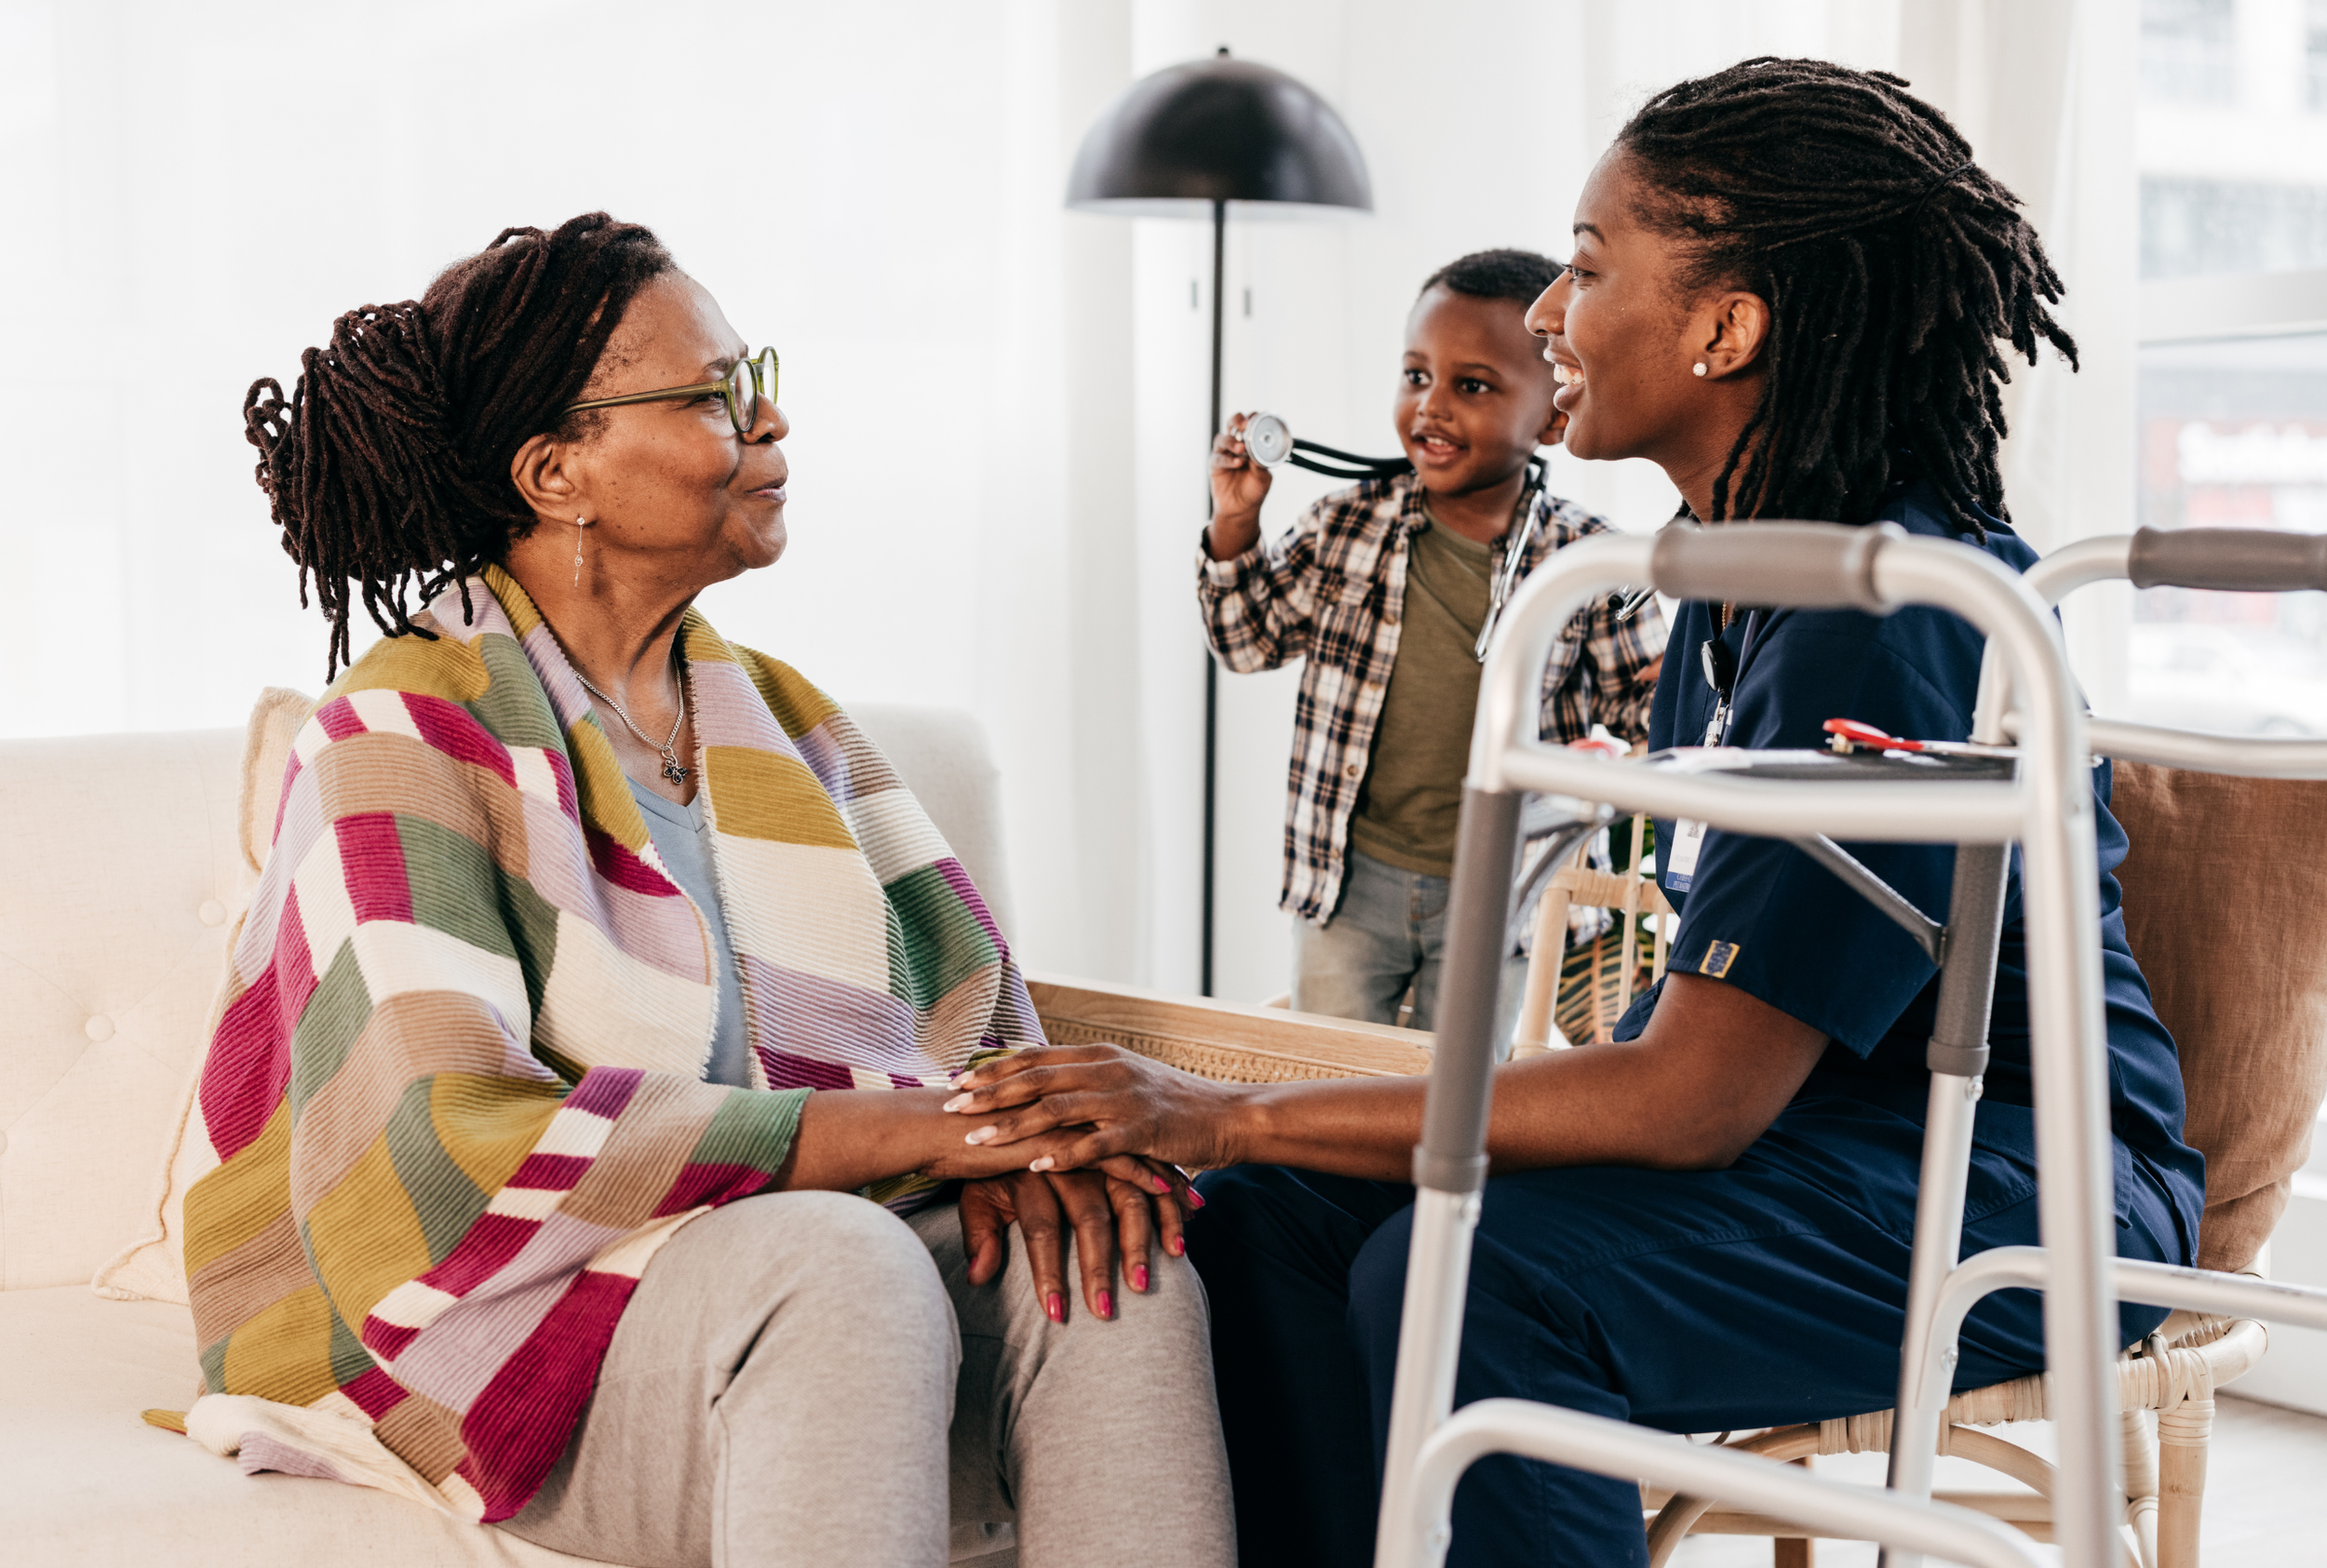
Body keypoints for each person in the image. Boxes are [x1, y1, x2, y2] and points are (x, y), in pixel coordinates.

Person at [940, 60, 2207, 1568]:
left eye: (1590, 269)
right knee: (1268, 1221)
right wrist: (1244, 1143)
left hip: (2023, 1185)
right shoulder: (1713, 576)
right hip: (1809, 1148)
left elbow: (1692, 1097)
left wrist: (1223, 1109)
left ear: (1729, 327)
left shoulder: (1891, 611)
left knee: (1469, 1272)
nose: (1549, 312)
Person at [180, 214, 1233, 1568]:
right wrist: (912, 1137)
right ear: (558, 471)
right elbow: (450, 1146)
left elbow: (976, 1035)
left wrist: (1021, 1147)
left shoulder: (787, 727)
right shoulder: (398, 739)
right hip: (491, 1317)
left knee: (1113, 1262)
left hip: (752, 1276)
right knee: (836, 1269)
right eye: (717, 394)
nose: (772, 420)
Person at [1197, 249, 1666, 1032]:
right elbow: (1247, 641)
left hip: (1502, 891)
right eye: (1417, 376)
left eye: (1472, 386)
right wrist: (1235, 521)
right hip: (1347, 882)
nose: (1432, 407)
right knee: (1334, 1080)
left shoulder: (1590, 562)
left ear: (1553, 416)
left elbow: (1654, 720)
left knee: (1458, 1098)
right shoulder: (1347, 521)